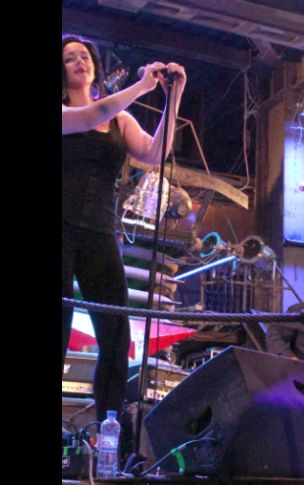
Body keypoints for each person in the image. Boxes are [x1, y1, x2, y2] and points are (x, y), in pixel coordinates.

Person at [62, 33, 187, 422]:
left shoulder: (120, 118)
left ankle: (108, 428)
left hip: (100, 230)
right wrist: (143, 85)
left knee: (116, 333)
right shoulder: (69, 113)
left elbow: (154, 152)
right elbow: (90, 117)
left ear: (95, 66)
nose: (80, 62)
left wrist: (172, 97)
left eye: (85, 56)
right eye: (69, 59)